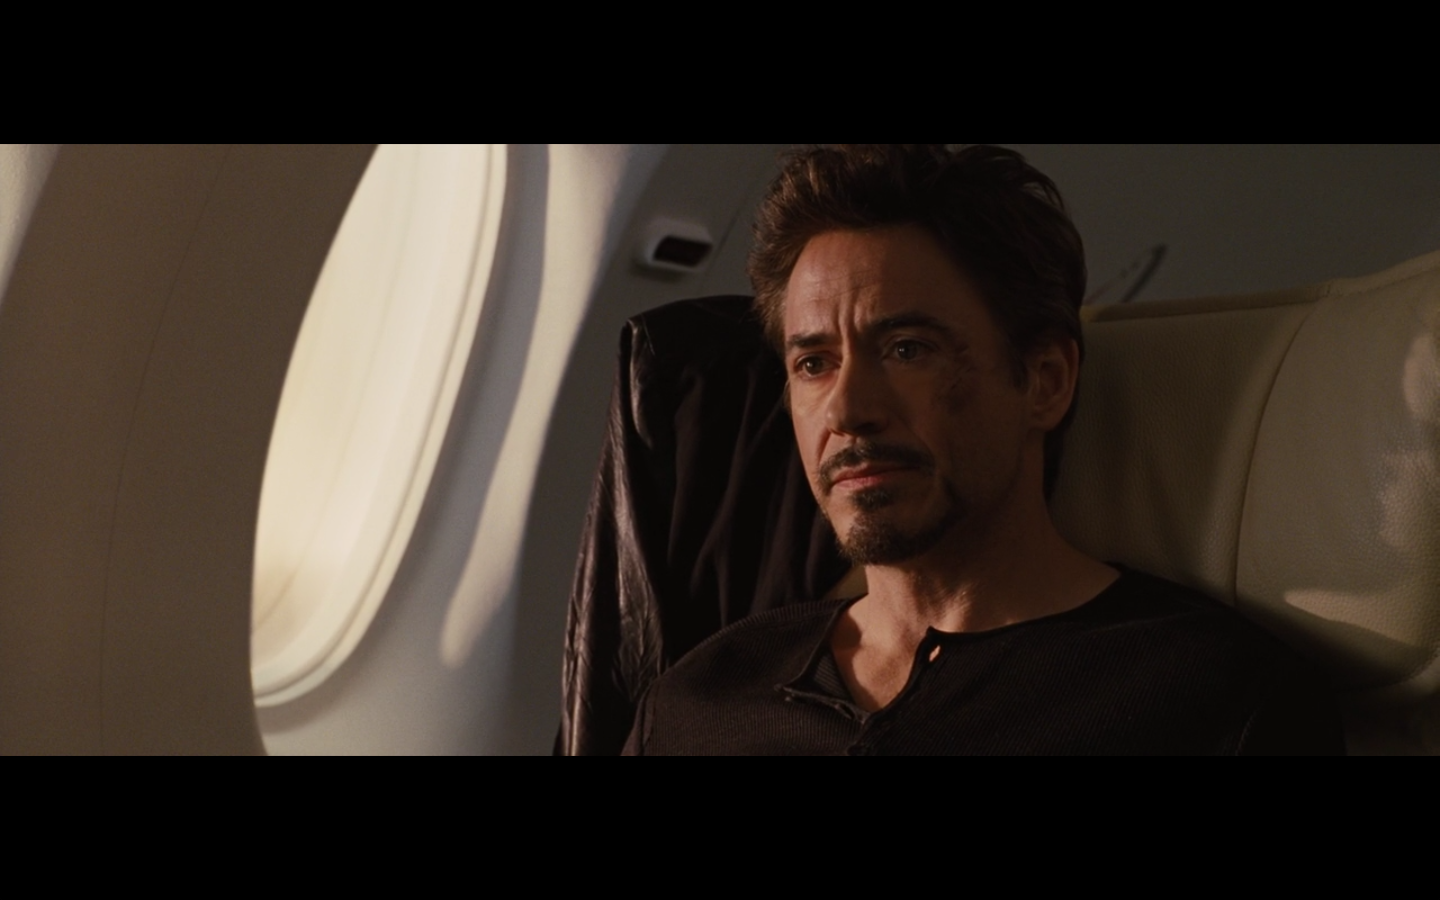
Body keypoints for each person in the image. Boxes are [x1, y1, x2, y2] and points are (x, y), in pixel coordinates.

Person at [623, 145, 1342, 755]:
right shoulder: (702, 699)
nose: (846, 410)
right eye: (814, 364)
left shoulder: (1213, 699)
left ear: (1045, 382)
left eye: (907, 349)